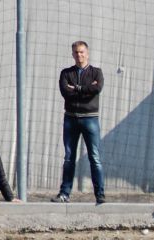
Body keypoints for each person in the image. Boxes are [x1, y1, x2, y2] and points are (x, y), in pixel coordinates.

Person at [52, 41, 106, 204]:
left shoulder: (97, 72)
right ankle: (64, 193)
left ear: (87, 54)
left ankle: (100, 194)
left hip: (90, 118)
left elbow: (97, 89)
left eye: (82, 52)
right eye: (76, 52)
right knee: (69, 157)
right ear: (72, 54)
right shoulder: (66, 73)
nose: (79, 55)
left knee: (94, 157)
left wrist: (76, 88)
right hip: (71, 118)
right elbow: (65, 92)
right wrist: (84, 89)